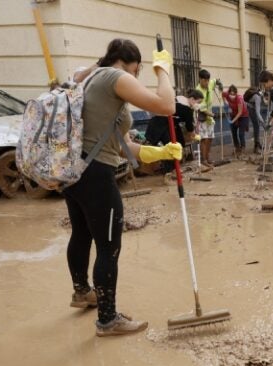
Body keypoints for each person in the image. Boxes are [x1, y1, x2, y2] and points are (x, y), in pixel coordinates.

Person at [66, 38, 178, 336]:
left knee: (82, 233)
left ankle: (82, 292)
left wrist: (159, 151)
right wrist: (163, 71)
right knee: (109, 246)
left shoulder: (91, 79)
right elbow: (167, 106)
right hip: (96, 175)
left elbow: (121, 145)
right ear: (135, 66)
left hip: (75, 171)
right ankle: (107, 319)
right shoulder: (117, 77)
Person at [144, 89, 203, 172]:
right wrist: (193, 135)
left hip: (167, 123)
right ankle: (168, 169)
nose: (198, 105)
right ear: (192, 99)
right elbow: (189, 126)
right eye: (198, 102)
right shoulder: (186, 108)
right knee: (172, 146)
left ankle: (169, 167)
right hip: (160, 123)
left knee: (178, 142)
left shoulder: (180, 99)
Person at [196, 69, 222, 168]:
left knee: (210, 138)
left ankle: (208, 157)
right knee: (204, 139)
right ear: (200, 79)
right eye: (204, 81)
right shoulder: (198, 91)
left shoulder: (210, 83)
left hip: (210, 119)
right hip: (202, 118)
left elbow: (216, 80)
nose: (207, 83)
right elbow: (202, 109)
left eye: (208, 80)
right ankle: (204, 160)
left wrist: (219, 83)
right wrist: (213, 115)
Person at [223, 85, 249, 158]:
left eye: (234, 94)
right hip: (233, 115)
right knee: (233, 133)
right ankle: (237, 148)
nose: (232, 95)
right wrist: (225, 102)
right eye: (231, 94)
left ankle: (243, 149)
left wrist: (233, 121)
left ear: (236, 93)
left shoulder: (239, 99)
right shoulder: (226, 95)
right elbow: (222, 94)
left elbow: (240, 112)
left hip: (243, 116)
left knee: (241, 133)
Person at [245, 86, 265, 153]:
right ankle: (256, 147)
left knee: (257, 126)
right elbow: (258, 112)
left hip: (249, 107)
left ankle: (258, 143)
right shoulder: (258, 97)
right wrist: (263, 123)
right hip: (251, 110)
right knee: (256, 126)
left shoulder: (256, 95)